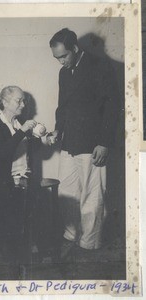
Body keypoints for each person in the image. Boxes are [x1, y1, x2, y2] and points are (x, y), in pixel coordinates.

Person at [47, 28, 119, 252]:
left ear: (75, 48)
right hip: (69, 141)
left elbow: (112, 107)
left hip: (92, 143)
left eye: (63, 56)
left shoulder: (100, 66)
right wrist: (59, 129)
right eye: (56, 57)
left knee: (91, 193)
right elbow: (63, 106)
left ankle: (89, 242)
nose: (60, 61)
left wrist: (104, 142)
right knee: (66, 191)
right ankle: (71, 233)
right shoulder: (64, 73)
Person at [0, 86, 38, 263]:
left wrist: (43, 137)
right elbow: (3, 154)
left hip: (20, 177)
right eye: (18, 100)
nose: (23, 104)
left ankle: (25, 241)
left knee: (34, 197)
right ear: (4, 103)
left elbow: (24, 152)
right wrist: (23, 132)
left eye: (23, 100)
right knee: (16, 204)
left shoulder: (17, 123)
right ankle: (15, 247)